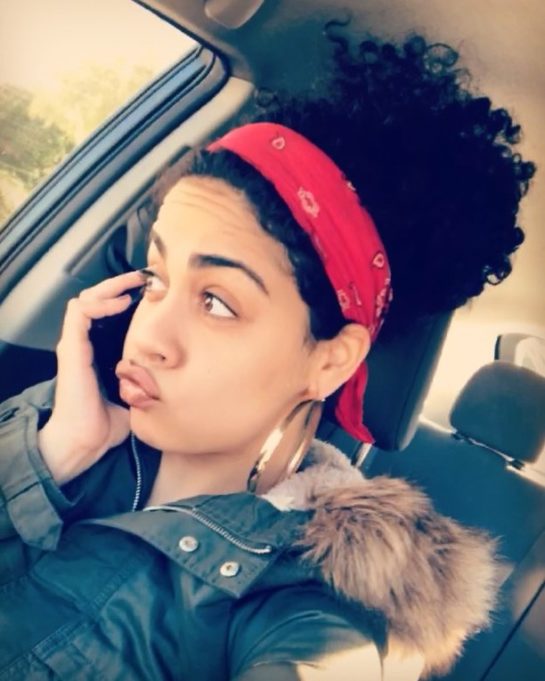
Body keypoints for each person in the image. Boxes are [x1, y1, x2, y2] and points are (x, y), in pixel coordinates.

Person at [0, 30, 535, 681]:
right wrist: (56, 452)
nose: (148, 337)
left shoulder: (311, 602)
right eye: (156, 279)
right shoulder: (61, 424)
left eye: (217, 302)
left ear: (330, 362)